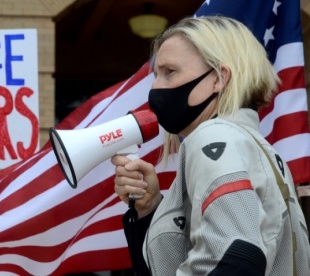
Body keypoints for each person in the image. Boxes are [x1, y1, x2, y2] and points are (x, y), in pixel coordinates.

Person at [111, 16, 310, 275]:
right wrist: (150, 208)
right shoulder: (257, 147)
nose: (156, 87)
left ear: (219, 78)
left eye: (169, 72)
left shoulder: (213, 137)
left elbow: (235, 256)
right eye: (156, 75)